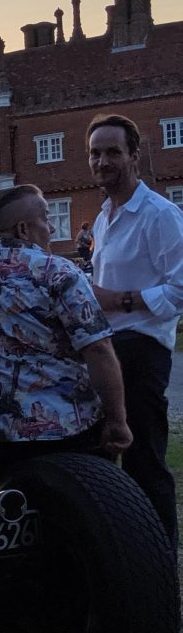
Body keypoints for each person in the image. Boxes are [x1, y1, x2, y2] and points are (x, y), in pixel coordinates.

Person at [0, 183, 130, 485]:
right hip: (70, 429)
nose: (53, 228)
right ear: (23, 230)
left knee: (17, 517)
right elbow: (98, 350)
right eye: (45, 218)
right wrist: (117, 421)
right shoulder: (59, 273)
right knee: (87, 520)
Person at [86, 113, 183, 541]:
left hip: (142, 350)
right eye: (95, 153)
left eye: (112, 152)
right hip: (108, 347)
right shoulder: (106, 216)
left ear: (135, 156)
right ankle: (123, 556)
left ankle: (159, 564)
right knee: (102, 458)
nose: (102, 161)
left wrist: (119, 299)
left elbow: (181, 287)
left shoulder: (159, 215)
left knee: (145, 458)